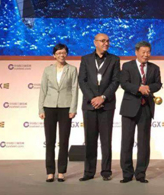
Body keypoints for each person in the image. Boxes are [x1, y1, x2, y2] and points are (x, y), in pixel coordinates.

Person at [78, 33, 121, 181]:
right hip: (89, 105)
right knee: (90, 140)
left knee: (106, 140)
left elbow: (115, 81)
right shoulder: (86, 59)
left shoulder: (114, 59)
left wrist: (102, 97)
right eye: (103, 41)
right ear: (95, 42)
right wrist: (92, 98)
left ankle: (106, 171)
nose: (106, 43)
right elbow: (82, 81)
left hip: (106, 104)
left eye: (108, 41)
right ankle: (89, 172)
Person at [119, 41, 162, 183]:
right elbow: (124, 83)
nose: (146, 55)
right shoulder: (127, 66)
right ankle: (127, 174)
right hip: (129, 108)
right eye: (143, 52)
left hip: (146, 108)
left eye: (148, 52)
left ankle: (141, 174)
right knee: (127, 141)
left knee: (144, 143)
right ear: (136, 52)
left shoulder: (154, 68)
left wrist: (148, 87)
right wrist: (139, 88)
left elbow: (158, 84)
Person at [38, 43, 78, 182]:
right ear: (54, 55)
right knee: (50, 141)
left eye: (64, 53)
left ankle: (61, 171)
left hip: (65, 107)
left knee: (64, 140)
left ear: (67, 54)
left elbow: (74, 90)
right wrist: (41, 108)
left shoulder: (72, 69)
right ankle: (50, 172)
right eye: (59, 53)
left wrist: (73, 109)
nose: (61, 55)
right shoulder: (47, 70)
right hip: (49, 107)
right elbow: (43, 89)